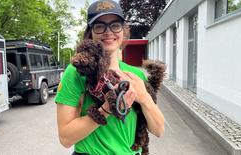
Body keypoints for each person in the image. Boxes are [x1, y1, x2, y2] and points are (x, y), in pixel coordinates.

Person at [55, 0, 165, 154]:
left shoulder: (136, 75)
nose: (108, 32)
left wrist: (144, 97)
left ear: (123, 30)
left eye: (115, 25)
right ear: (90, 32)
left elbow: (158, 130)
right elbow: (66, 138)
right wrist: (107, 109)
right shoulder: (78, 72)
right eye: (99, 26)